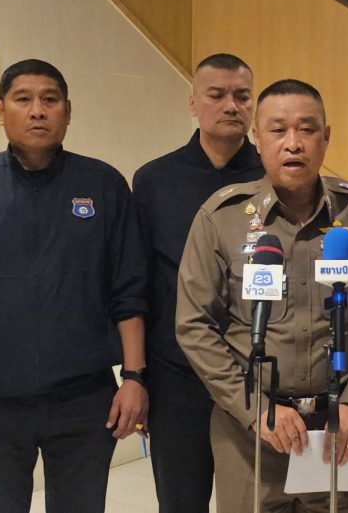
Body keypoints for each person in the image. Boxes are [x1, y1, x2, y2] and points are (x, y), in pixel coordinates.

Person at [0, 59, 147, 513]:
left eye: (50, 100)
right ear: (0, 110)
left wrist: (134, 378)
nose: (37, 111)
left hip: (84, 398)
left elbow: (128, 291)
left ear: (68, 111)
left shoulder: (103, 185)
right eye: (22, 99)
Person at [176, 79, 348, 512]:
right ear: (258, 139)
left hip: (338, 431)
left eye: (307, 129)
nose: (293, 143)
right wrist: (256, 409)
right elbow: (193, 326)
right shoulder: (221, 218)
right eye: (278, 130)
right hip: (250, 436)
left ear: (326, 137)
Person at [132, 53, 264, 513]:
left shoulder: (273, 178)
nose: (231, 105)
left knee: (254, 502)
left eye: (242, 96)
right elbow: (140, 283)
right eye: (217, 95)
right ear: (193, 102)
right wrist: (137, 376)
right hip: (176, 376)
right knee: (180, 502)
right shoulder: (154, 180)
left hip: (255, 374)